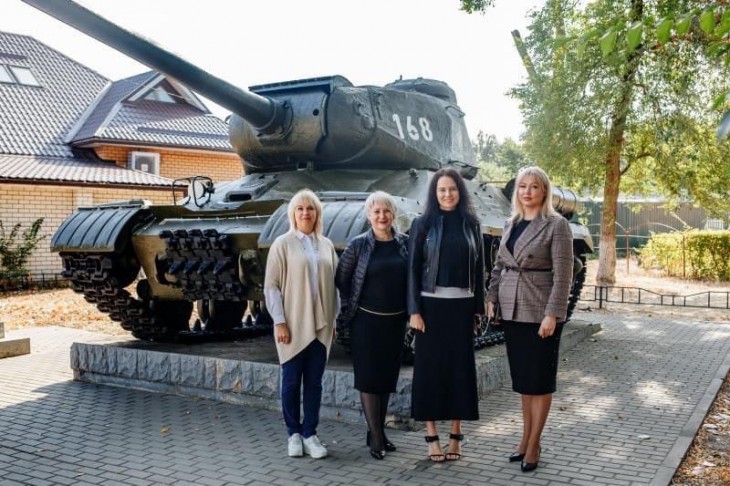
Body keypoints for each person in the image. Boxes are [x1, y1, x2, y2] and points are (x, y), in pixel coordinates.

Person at [486, 166, 574, 473]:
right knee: (524, 383)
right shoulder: (511, 222)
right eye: (522, 186)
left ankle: (535, 444)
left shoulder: (556, 225)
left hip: (540, 312)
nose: (527, 191)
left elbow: (563, 276)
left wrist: (553, 314)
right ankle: (524, 439)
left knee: (540, 382)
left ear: (544, 192)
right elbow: (499, 265)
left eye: (534, 186)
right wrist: (491, 297)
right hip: (512, 311)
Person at [407, 167, 484, 462]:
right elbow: (412, 269)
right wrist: (414, 309)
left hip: (462, 308)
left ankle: (455, 436)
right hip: (430, 308)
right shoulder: (422, 223)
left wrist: (478, 308)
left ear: (460, 192)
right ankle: (431, 437)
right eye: (441, 190)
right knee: (429, 373)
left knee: (459, 372)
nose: (447, 194)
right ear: (434, 193)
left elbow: (479, 270)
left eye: (452, 189)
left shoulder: (471, 223)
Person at [264, 189, 339, 459]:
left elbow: (335, 287)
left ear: (317, 213)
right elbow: (271, 287)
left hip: (321, 326)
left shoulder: (327, 245)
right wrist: (279, 322)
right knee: (291, 382)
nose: (305, 213)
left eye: (310, 208)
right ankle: (293, 434)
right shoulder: (282, 244)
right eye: (300, 209)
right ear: (292, 214)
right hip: (292, 324)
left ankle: (311, 434)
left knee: (315, 384)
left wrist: (333, 319)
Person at [335, 191, 409, 460]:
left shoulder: (404, 244)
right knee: (368, 378)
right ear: (369, 215)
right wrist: (351, 308)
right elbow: (342, 279)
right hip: (365, 321)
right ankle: (376, 437)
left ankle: (378, 431)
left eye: (386, 211)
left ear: (393, 214)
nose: (382, 216)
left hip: (394, 321)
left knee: (386, 379)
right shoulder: (358, 245)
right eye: (376, 212)